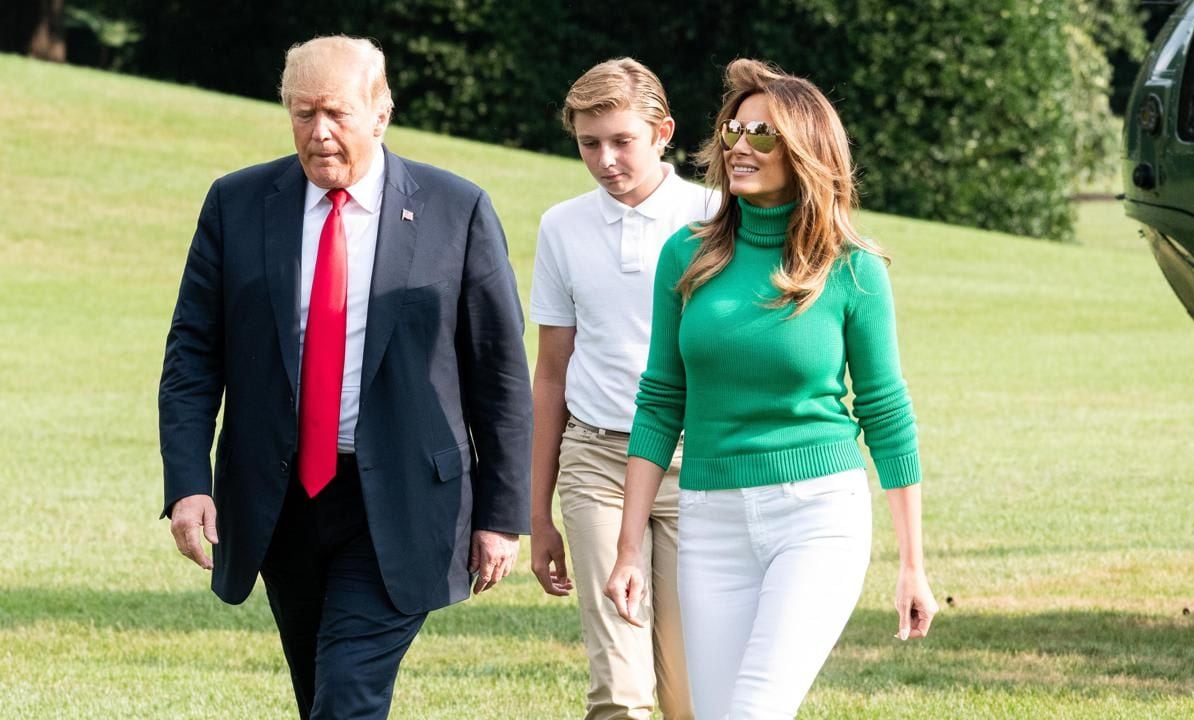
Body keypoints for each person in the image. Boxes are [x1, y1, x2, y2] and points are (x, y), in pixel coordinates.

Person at [158, 35, 531, 720]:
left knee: (347, 697)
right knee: (320, 693)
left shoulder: (457, 210)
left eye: (336, 113)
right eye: (302, 114)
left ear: (380, 113)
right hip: (279, 500)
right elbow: (191, 356)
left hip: (406, 499)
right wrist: (187, 485)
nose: (319, 133)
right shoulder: (236, 204)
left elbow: (501, 375)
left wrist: (502, 516)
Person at [604, 58, 938, 719]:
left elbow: (887, 413)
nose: (739, 147)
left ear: (806, 150)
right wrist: (627, 547)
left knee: (754, 710)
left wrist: (913, 563)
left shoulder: (852, 268)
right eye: (734, 130)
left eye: (763, 135)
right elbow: (661, 401)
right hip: (708, 521)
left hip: (815, 518)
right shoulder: (686, 257)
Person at [529, 58, 714, 720]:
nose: (605, 160)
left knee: (691, 693)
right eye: (588, 143)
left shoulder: (717, 217)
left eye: (621, 140)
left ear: (662, 131)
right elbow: (551, 371)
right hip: (597, 463)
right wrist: (537, 512)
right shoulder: (561, 227)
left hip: (699, 465)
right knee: (620, 690)